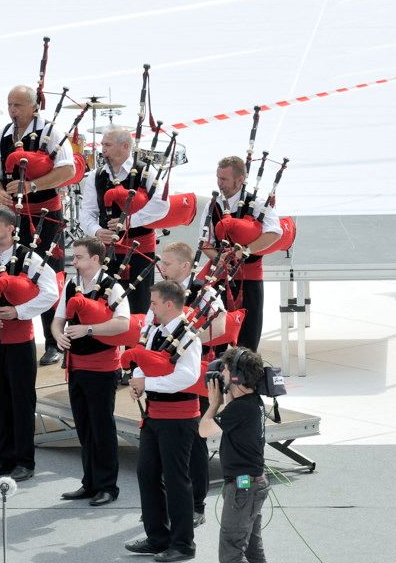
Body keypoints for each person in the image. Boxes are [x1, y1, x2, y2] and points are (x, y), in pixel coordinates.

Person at [0, 85, 75, 366]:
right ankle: (13, 335)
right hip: (15, 216)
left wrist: (33, 185)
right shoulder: (3, 135)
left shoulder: (51, 133)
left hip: (46, 215)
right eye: (10, 105)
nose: (13, 111)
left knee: (47, 274)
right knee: (11, 272)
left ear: (34, 107)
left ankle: (54, 342)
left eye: (19, 105)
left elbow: (68, 169)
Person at [0, 205, 58, 481]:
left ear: (10, 228)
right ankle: (4, 457)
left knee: (21, 401)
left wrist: (19, 311)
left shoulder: (30, 258)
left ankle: (25, 461)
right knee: (0, 399)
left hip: (20, 341)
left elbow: (51, 293)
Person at [126, 280, 202, 562]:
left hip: (179, 418)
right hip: (154, 415)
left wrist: (147, 383)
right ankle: (157, 537)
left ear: (169, 304)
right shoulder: (156, 329)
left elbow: (187, 377)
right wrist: (137, 379)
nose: (151, 307)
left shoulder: (189, 337)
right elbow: (142, 357)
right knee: (146, 473)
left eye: (154, 302)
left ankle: (183, 544)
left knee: (176, 479)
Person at [51, 237, 130, 506]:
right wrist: (58, 337)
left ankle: (108, 486)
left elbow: (123, 324)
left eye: (79, 257)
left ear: (95, 259)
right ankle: (90, 482)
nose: (74, 262)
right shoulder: (72, 285)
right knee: (84, 427)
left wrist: (89, 329)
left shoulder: (112, 287)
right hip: (77, 366)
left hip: (102, 367)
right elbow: (58, 319)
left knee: (102, 428)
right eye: (74, 257)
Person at [158, 240, 227, 526]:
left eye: (168, 263)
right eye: (161, 262)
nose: (162, 268)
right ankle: (171, 501)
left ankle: (197, 503)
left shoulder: (204, 291)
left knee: (196, 438)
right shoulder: (162, 291)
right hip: (167, 371)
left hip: (197, 372)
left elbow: (220, 327)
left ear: (185, 266)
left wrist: (186, 343)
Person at [79, 127, 169, 314]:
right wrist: (96, 231)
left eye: (108, 145)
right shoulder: (96, 176)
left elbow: (162, 204)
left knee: (138, 305)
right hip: (107, 250)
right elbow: (86, 213)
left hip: (139, 250)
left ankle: (134, 344)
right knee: (106, 304)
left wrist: (129, 221)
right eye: (102, 145)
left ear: (125, 146)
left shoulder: (146, 171)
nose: (103, 149)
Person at [204, 156, 282, 352]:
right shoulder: (212, 205)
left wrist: (246, 250)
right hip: (221, 277)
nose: (219, 184)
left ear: (240, 180)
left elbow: (274, 232)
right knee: (218, 335)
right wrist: (218, 257)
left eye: (224, 179)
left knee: (248, 334)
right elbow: (205, 243)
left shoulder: (257, 203)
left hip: (249, 278)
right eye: (218, 178)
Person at [199, 348, 270, 563]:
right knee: (252, 551)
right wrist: (227, 394)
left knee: (231, 552)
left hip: (243, 490)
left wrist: (213, 404)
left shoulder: (239, 409)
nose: (223, 374)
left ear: (237, 376)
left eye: (227, 370)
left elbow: (203, 430)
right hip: (251, 485)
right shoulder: (253, 401)